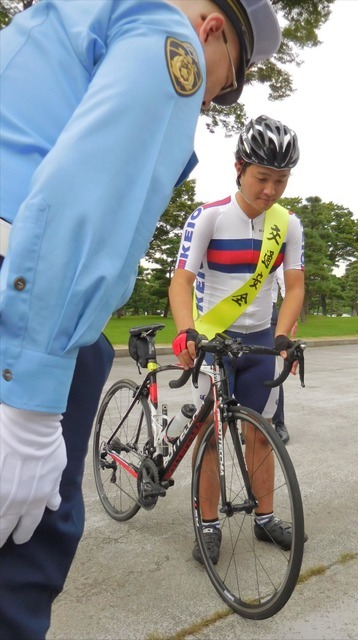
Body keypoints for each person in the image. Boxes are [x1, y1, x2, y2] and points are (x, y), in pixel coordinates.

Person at [0, 1, 282, 637]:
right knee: (19, 569)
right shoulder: (168, 35)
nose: (206, 102)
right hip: (26, 305)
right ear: (212, 30)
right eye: (224, 84)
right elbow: (88, 193)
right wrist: (30, 394)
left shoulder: (66, 13)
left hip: (21, 284)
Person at [169, 114, 306, 565]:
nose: (270, 190)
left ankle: (265, 518)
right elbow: (181, 281)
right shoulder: (208, 216)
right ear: (239, 168)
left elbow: (295, 286)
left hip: (261, 339)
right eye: (262, 178)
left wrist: (284, 336)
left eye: (280, 180)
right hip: (214, 340)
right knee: (211, 435)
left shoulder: (288, 225)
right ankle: (208, 525)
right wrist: (187, 329)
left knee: (261, 437)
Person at [270, 263, 298, 444]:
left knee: (269, 370)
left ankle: (278, 422)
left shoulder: (272, 238)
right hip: (225, 312)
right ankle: (243, 422)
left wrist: (291, 317)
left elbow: (287, 282)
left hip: (265, 309)